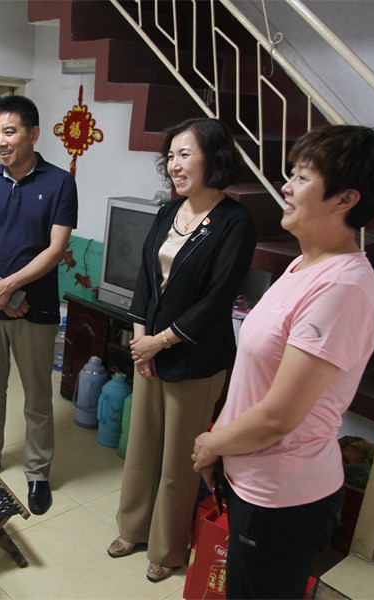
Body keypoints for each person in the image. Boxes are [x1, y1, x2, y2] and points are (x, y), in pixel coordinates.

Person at [192, 125, 374, 598]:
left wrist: (210, 444)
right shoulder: (304, 264)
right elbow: (255, 378)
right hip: (249, 474)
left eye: (302, 178)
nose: (286, 187)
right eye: (291, 175)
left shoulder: (341, 288)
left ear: (345, 199)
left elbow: (278, 417)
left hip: (281, 494)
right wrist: (221, 444)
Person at [108, 117, 256, 583]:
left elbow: (216, 299)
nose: (174, 164)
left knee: (178, 463)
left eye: (184, 154)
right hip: (149, 351)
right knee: (140, 448)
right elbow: (144, 279)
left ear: (213, 157)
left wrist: (161, 341)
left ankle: (167, 549)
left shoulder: (234, 223)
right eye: (170, 156)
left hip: (194, 358)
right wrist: (141, 339)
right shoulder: (168, 212)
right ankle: (132, 528)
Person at [0, 95, 78, 515]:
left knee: (37, 394)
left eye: (9, 131)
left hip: (36, 306)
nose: (0, 141)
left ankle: (37, 472)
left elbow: (56, 249)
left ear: (33, 134)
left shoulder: (60, 182)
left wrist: (10, 287)